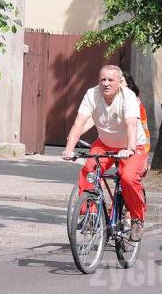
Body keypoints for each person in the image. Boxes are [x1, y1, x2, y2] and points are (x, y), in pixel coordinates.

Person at [62, 65, 148, 241]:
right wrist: (69, 148)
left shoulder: (128, 96)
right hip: (105, 143)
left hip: (132, 145)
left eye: (111, 80)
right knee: (89, 171)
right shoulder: (92, 94)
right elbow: (79, 123)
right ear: (98, 81)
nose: (106, 83)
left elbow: (131, 124)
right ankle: (92, 215)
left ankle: (137, 218)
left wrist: (130, 148)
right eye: (103, 80)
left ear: (119, 82)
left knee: (128, 177)